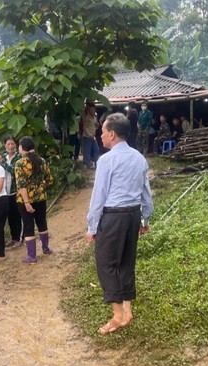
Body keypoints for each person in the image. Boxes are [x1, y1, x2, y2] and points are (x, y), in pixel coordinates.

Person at [86, 112, 153, 335]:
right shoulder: (139, 158)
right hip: (133, 216)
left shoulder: (106, 160)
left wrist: (92, 227)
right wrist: (145, 218)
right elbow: (146, 192)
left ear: (112, 134)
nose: (101, 136)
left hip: (113, 217)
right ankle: (127, 310)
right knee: (126, 260)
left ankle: (117, 315)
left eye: (103, 131)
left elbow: (99, 196)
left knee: (106, 263)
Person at [15, 136, 54, 264]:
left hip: (25, 200)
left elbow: (21, 185)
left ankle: (32, 256)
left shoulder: (20, 163)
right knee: (42, 222)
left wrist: (26, 202)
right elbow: (49, 180)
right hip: (41, 198)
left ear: (21, 147)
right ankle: (46, 248)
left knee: (28, 226)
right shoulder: (42, 160)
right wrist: (40, 187)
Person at [2, 136, 23, 248]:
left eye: (12, 144)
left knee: (17, 215)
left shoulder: (18, 157)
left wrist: (3, 164)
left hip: (16, 190)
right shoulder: (4, 158)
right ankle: (13, 237)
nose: (10, 146)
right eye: (8, 144)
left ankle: (19, 238)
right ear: (5, 145)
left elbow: (14, 171)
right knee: (10, 216)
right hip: (5, 191)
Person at [78, 101, 100, 169]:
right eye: (91, 110)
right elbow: (85, 128)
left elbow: (96, 127)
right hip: (87, 136)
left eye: (93, 109)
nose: (92, 111)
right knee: (87, 151)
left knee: (97, 149)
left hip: (93, 136)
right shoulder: (86, 117)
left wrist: (97, 125)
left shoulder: (95, 117)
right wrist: (90, 135)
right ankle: (88, 164)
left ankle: (96, 162)